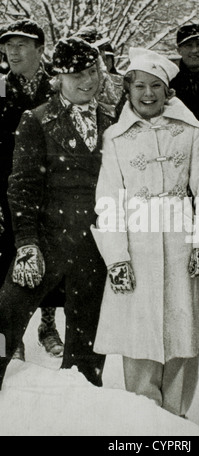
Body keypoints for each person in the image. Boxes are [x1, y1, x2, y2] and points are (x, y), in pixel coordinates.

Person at [91, 47, 199, 417]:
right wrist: (117, 257)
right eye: (139, 86)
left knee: (184, 337)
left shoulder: (189, 131)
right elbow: (108, 201)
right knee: (139, 341)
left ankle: (177, 423)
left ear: (168, 91)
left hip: (184, 246)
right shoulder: (116, 138)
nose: (147, 94)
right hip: (137, 247)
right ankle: (144, 424)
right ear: (128, 88)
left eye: (156, 86)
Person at [0, 36, 111, 390]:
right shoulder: (37, 120)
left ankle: (79, 415)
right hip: (47, 241)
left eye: (91, 71)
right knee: (5, 319)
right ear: (58, 77)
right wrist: (27, 245)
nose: (86, 80)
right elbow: (22, 188)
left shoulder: (113, 123)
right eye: (76, 73)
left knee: (87, 354)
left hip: (95, 248)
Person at [0, 19, 64, 359]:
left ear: (40, 50)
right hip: (6, 187)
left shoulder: (58, 88)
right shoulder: (0, 87)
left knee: (48, 261)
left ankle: (48, 324)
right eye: (8, 44)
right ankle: (13, 339)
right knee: (6, 260)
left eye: (22, 44)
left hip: (49, 188)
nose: (13, 50)